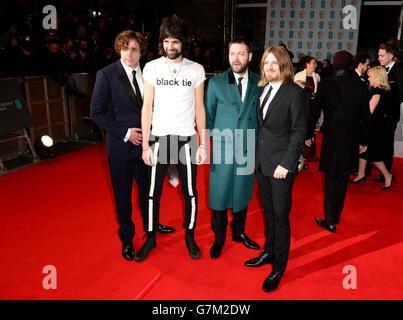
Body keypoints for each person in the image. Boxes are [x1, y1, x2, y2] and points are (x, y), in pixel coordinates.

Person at [90, 30, 175, 262]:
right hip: (120, 149)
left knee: (149, 192)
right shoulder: (106, 75)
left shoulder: (150, 73)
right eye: (125, 48)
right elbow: (96, 112)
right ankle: (127, 238)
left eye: (134, 49)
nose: (129, 53)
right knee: (123, 197)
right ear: (119, 49)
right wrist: (125, 133)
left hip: (147, 147)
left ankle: (152, 226)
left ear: (141, 51)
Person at [135, 16, 207, 262]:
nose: (170, 46)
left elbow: (200, 107)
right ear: (162, 42)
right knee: (153, 193)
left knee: (191, 192)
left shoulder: (196, 69)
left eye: (175, 41)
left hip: (187, 138)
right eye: (166, 41)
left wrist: (204, 143)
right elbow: (146, 107)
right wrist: (145, 144)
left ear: (183, 42)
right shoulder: (152, 67)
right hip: (158, 138)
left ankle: (190, 235)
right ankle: (151, 236)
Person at [244, 46, 307, 292]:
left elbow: (299, 132)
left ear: (284, 65)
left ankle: (279, 266)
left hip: (281, 166)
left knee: (280, 217)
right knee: (268, 212)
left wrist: (286, 163)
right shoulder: (263, 89)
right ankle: (269, 251)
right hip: (263, 163)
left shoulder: (294, 93)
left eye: (274, 63)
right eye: (265, 63)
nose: (269, 67)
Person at [204, 36, 260, 259]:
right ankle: (219, 237)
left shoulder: (260, 82)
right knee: (219, 195)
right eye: (232, 53)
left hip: (248, 148)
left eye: (240, 53)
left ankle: (239, 233)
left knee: (242, 194)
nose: (235, 58)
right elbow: (208, 118)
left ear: (250, 56)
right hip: (223, 149)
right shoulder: (216, 83)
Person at [306, 50, 369, 234]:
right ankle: (336, 216)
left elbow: (315, 112)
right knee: (343, 177)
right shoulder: (361, 85)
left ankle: (330, 219)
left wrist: (308, 133)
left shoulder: (326, 84)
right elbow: (366, 117)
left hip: (332, 137)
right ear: (350, 65)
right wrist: (364, 140)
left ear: (335, 64)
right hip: (351, 138)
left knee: (331, 178)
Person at [351, 66, 394, 190]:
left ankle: (388, 175)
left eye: (370, 76)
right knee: (364, 151)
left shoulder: (377, 92)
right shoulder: (381, 90)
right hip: (376, 125)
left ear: (377, 78)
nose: (368, 79)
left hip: (374, 127)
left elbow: (368, 111)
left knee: (374, 154)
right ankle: (361, 174)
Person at [377, 43, 403, 181]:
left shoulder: (399, 71)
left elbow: (401, 94)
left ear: (391, 56)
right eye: (379, 55)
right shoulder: (380, 69)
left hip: (390, 114)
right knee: (379, 142)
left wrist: (387, 104)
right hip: (378, 114)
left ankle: (386, 173)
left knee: (386, 143)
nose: (379, 58)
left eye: (381, 55)